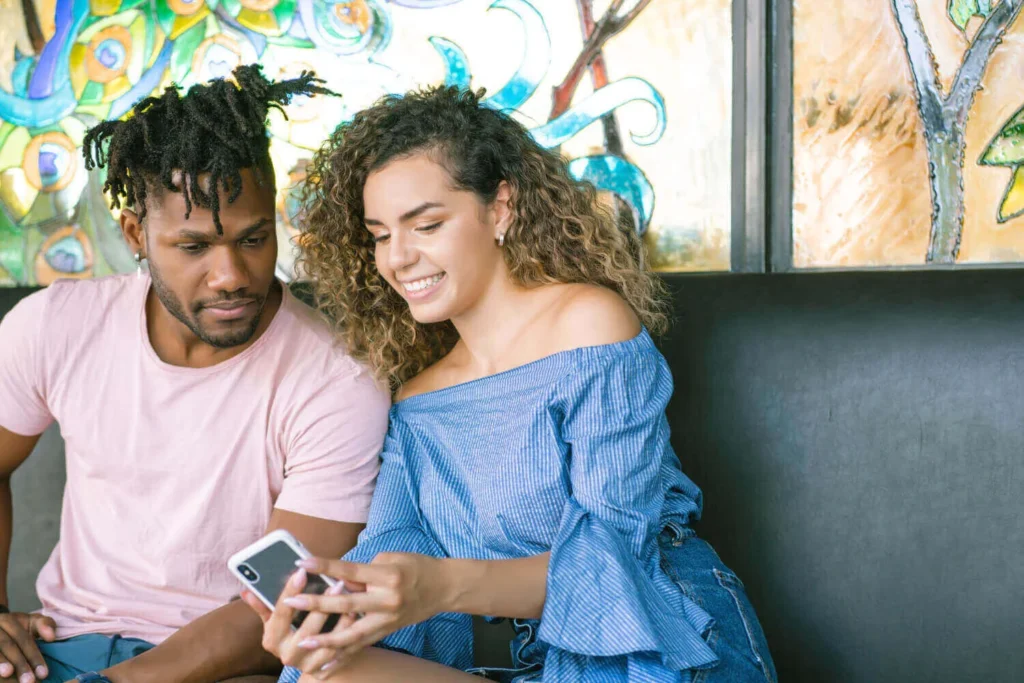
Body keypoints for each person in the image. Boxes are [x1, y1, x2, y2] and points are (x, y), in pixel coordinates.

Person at [246, 86, 777, 682]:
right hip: (509, 658)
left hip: (650, 641)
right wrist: (331, 612)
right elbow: (390, 549)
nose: (398, 258)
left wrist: (440, 584)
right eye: (380, 234)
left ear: (499, 209)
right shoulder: (417, 400)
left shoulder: (588, 325)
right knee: (322, 674)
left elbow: (614, 559)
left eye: (426, 224)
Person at [0, 65, 390, 683]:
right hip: (59, 645)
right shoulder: (55, 326)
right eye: (193, 247)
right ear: (136, 234)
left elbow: (279, 601)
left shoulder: (336, 380)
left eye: (253, 239)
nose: (231, 273)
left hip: (222, 664)